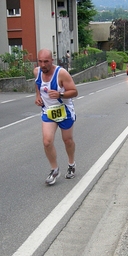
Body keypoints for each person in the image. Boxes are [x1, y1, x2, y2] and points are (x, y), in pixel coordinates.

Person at [34, 48, 78, 185]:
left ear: (51, 60)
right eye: (40, 61)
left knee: (67, 140)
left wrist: (60, 95)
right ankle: (54, 169)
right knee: (47, 141)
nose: (43, 65)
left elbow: (75, 92)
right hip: (48, 111)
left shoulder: (62, 74)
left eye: (46, 61)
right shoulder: (37, 72)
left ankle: (71, 164)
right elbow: (37, 84)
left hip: (64, 111)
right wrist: (37, 96)